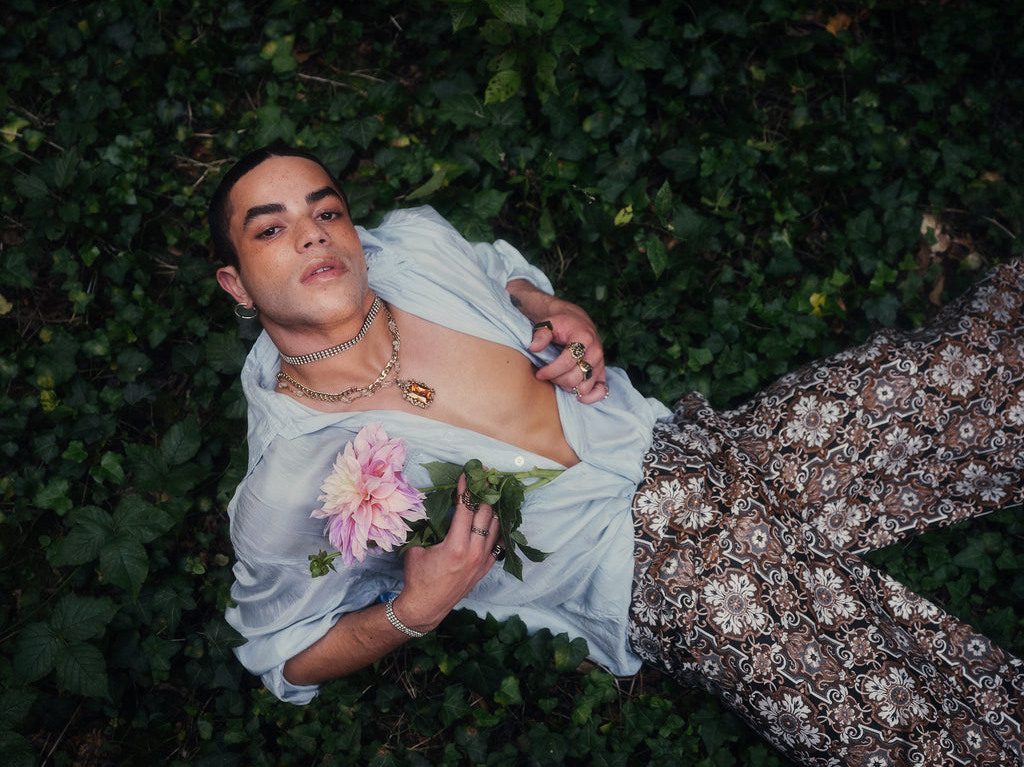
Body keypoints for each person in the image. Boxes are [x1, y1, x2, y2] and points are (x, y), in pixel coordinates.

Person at [211, 144, 1024, 766]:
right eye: (271, 229)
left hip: (686, 447)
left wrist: (550, 306)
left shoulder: (412, 249)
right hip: (658, 576)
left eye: (327, 210)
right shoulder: (288, 481)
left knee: (945, 378)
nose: (314, 233)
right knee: (884, 714)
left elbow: (500, 271)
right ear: (237, 285)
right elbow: (283, 657)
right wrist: (414, 611)